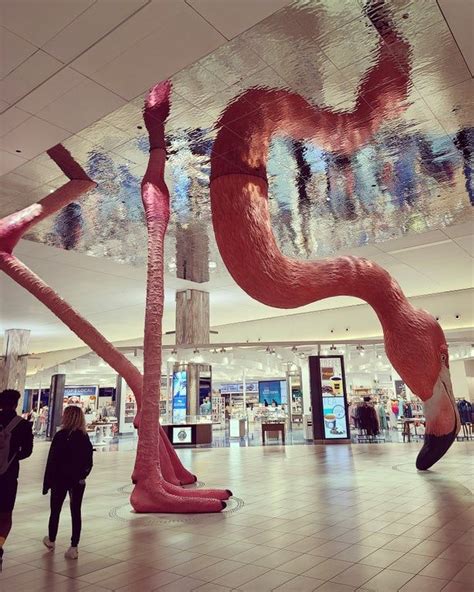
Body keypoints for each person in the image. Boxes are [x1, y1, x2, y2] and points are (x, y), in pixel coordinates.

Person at [42, 406, 93, 560]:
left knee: (55, 510)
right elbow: (88, 461)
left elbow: (51, 461)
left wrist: (47, 483)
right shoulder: (84, 437)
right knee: (76, 511)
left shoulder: (60, 436)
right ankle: (74, 546)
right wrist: (82, 475)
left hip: (59, 479)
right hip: (77, 480)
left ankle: (51, 540)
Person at [0, 389, 34, 568]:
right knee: (5, 515)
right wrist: (12, 458)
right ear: (15, 404)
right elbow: (27, 451)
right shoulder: (23, 425)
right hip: (9, 476)